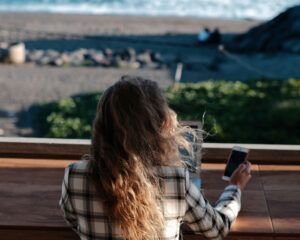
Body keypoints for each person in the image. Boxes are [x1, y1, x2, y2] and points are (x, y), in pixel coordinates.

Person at [59, 75, 251, 240]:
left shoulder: (75, 175)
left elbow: (72, 219)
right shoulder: (174, 180)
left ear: (101, 125)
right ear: (161, 125)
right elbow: (218, 228)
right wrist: (235, 187)